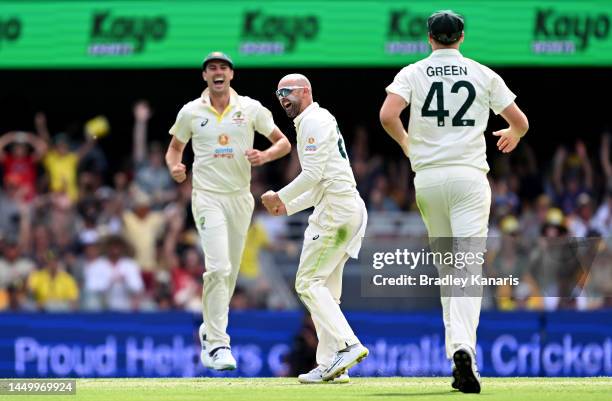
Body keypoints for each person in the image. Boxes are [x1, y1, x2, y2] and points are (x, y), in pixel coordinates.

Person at [379, 10, 529, 393]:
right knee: (467, 270)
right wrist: (513, 134)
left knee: (450, 270)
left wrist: (408, 145)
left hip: (428, 180)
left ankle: (458, 352)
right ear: (461, 36)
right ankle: (464, 347)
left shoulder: (413, 72)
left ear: (429, 37)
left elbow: (388, 115)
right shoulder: (481, 73)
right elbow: (521, 121)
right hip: (468, 178)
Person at [165, 51, 291, 371]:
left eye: (223, 68)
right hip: (207, 197)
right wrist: (175, 168)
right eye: (211, 68)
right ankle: (217, 343)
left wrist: (265, 156)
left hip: (240, 199)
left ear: (231, 74)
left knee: (230, 274)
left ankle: (209, 329)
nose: (217, 72)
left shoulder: (250, 108)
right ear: (204, 76)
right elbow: (174, 150)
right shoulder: (191, 112)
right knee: (218, 268)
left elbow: (283, 143)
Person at [261, 73, 369, 383]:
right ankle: (332, 365)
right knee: (326, 291)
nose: (282, 97)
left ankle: (348, 345)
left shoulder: (312, 121)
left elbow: (311, 175)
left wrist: (280, 196)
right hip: (346, 207)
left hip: (335, 212)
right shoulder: (319, 119)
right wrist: (288, 207)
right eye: (278, 92)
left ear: (305, 91)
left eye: (288, 91)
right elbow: (323, 178)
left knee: (307, 282)